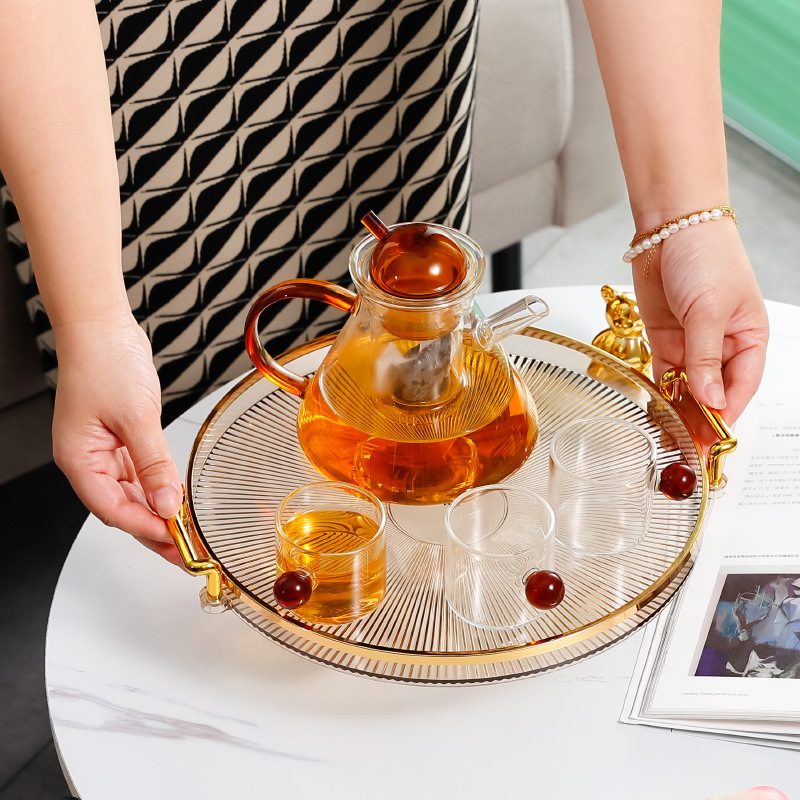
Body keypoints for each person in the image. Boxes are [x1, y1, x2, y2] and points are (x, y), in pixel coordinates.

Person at [0, 0, 769, 569]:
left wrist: (684, 216)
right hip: (142, 70)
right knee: (213, 468)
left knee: (421, 358)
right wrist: (95, 319)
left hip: (388, 37)